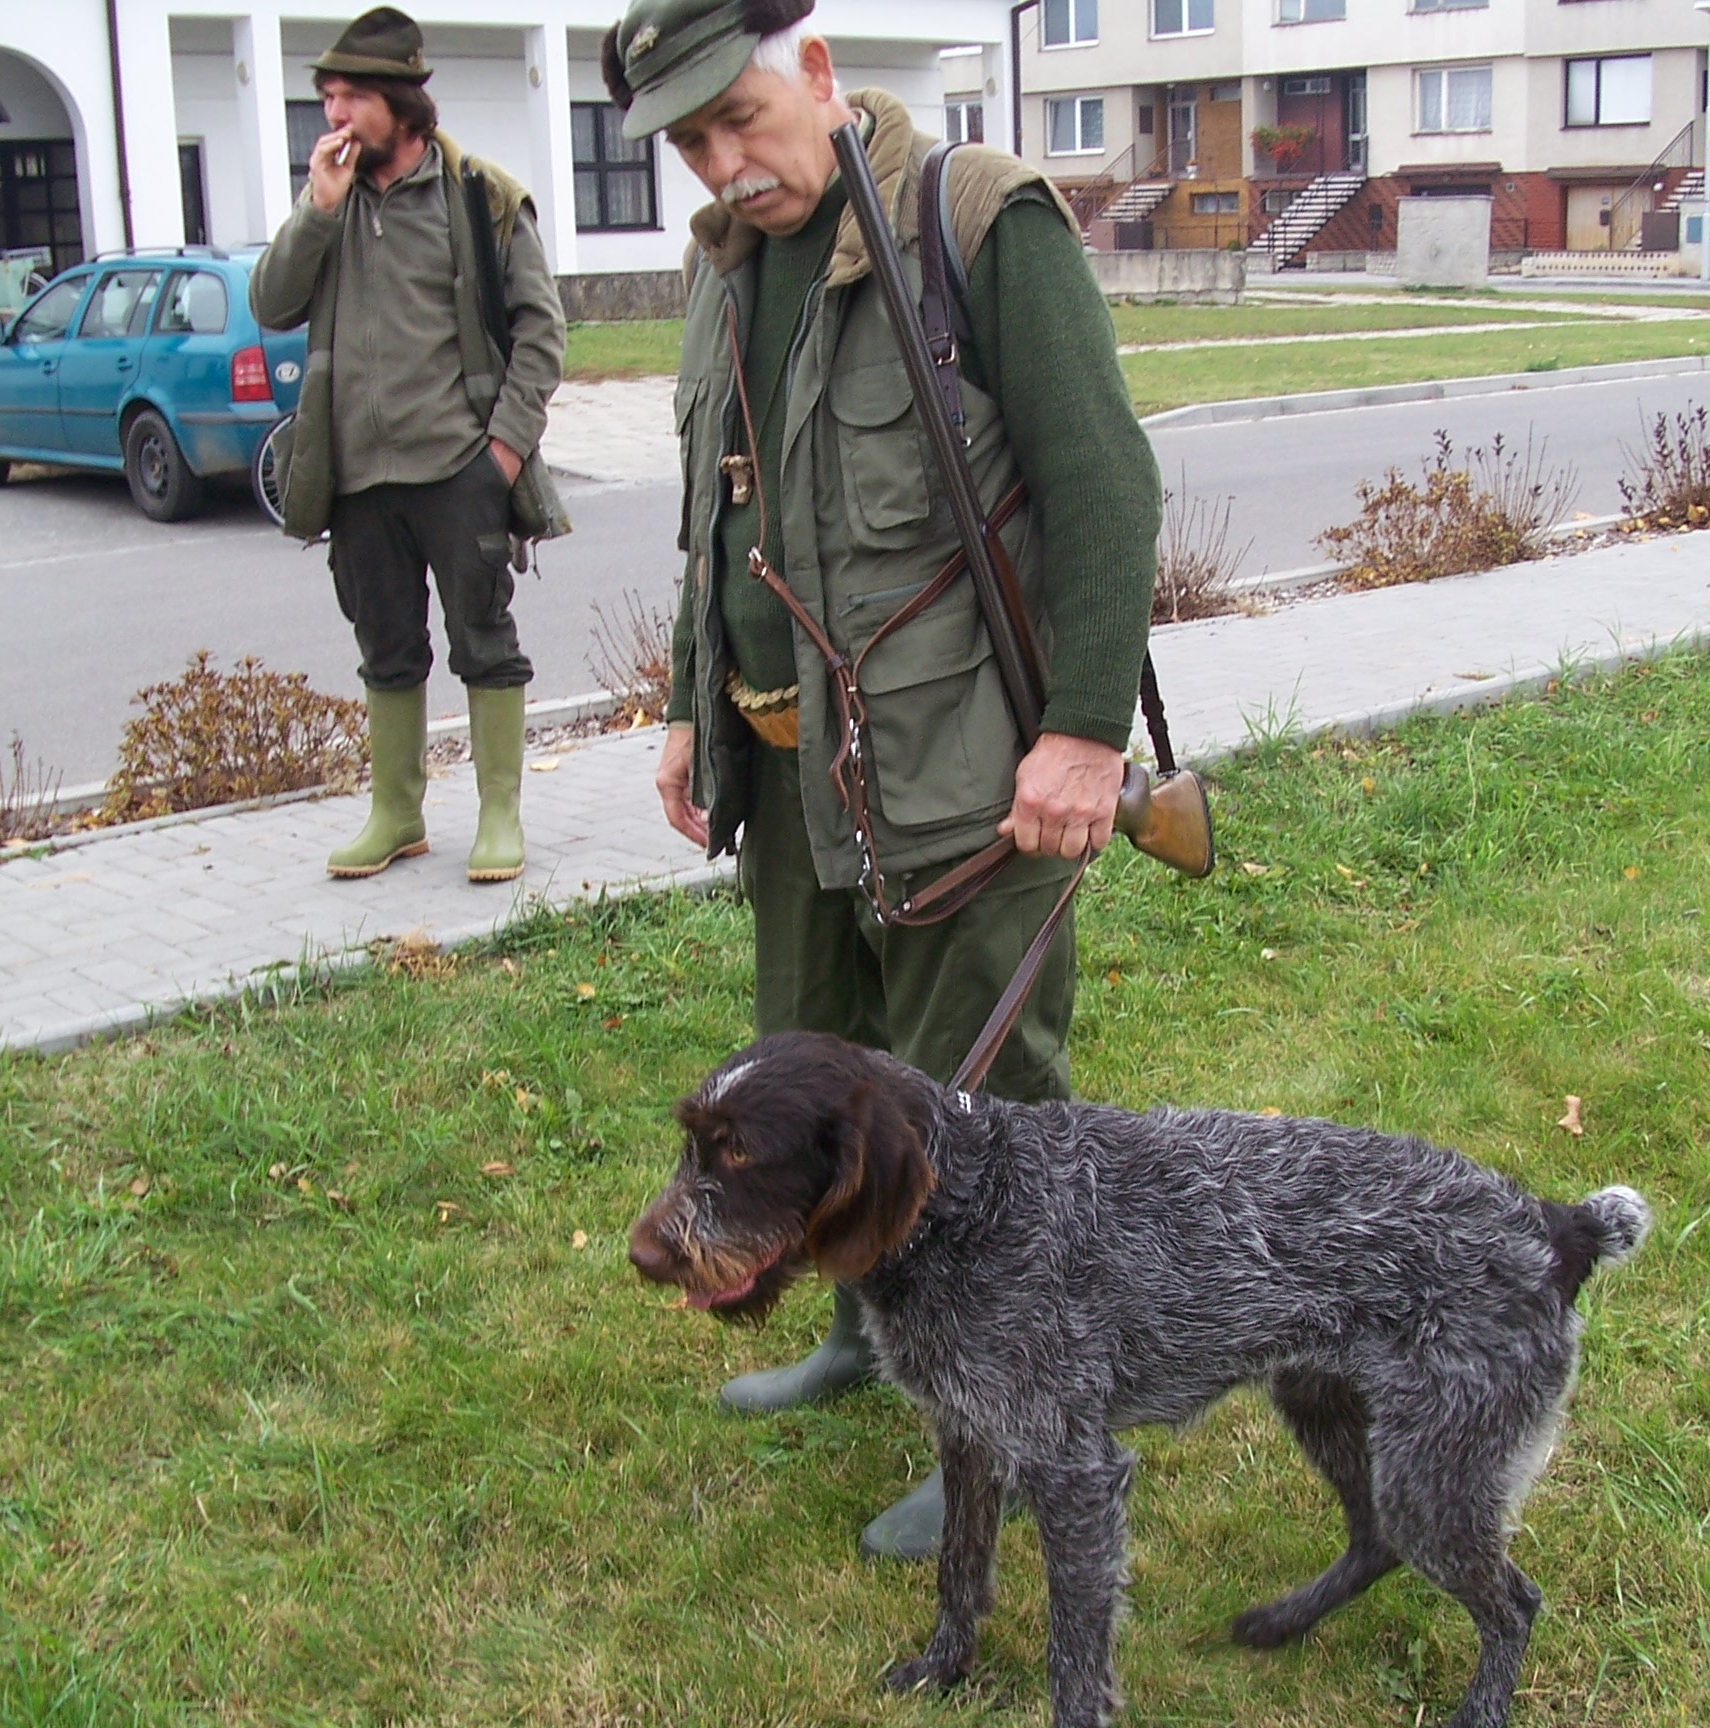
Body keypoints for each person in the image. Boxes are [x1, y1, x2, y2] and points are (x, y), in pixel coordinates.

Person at [607, 0, 1161, 1559]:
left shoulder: (970, 223)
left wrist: (1084, 733)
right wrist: (681, 708)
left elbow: (1104, 480)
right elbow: (722, 522)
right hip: (793, 778)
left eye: (743, 117)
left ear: (824, 73)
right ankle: (864, 1333)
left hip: (965, 773)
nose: (727, 161)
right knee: (818, 1072)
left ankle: (1010, 1421)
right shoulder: (729, 270)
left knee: (979, 1125)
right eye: (693, 142)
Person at [250, 6, 569, 883]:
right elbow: (271, 303)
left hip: (456, 468)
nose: (335, 116)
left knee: (484, 639)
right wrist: (317, 210)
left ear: (399, 103)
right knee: (385, 648)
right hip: (356, 478)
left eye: (352, 96)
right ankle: (395, 814)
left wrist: (498, 457)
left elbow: (542, 334)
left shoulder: (481, 197)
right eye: (327, 98)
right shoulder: (329, 201)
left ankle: (498, 813)